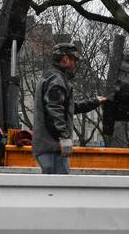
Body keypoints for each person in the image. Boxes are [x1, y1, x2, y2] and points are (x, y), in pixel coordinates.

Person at [32, 43, 107, 174]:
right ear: (65, 59)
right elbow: (54, 109)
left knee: (54, 189)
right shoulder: (56, 79)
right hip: (53, 147)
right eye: (74, 60)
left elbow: (68, 107)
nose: (75, 64)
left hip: (48, 146)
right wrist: (63, 137)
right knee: (58, 190)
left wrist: (95, 102)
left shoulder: (50, 77)